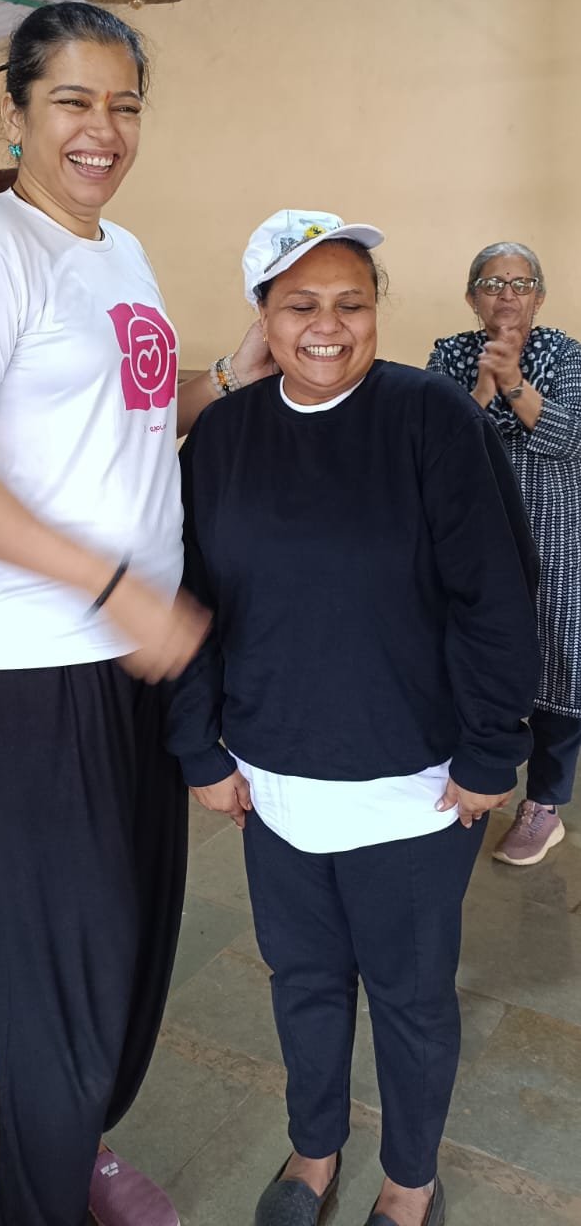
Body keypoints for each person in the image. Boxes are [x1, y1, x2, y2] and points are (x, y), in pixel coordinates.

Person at [0, 2, 272, 1226]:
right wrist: (112, 590)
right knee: (65, 965)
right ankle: (40, 1197)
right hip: (33, 664)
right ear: (15, 114)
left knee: (130, 944)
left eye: (123, 104)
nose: (101, 128)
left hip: (133, 653)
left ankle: (75, 1149)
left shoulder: (119, 250)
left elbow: (131, 421)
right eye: (71, 100)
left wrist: (230, 377)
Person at [166, 210, 540, 1226]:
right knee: (303, 979)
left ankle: (409, 1180)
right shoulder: (223, 438)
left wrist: (489, 751)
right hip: (274, 779)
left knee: (411, 998)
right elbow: (192, 601)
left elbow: (497, 597)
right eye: (301, 305)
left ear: (376, 309)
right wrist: (200, 747)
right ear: (263, 317)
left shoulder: (432, 419)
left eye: (351, 303)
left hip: (413, 784)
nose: (327, 326)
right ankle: (314, 1150)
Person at [427, 242, 581, 866]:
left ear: (539, 296)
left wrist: (514, 381)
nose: (508, 295)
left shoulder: (566, 355)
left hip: (552, 532)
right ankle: (471, 773)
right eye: (493, 284)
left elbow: (568, 438)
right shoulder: (449, 354)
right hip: (473, 532)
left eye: (521, 283)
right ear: (472, 297)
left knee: (557, 666)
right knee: (474, 651)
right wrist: (483, 389)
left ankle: (543, 804)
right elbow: (436, 441)